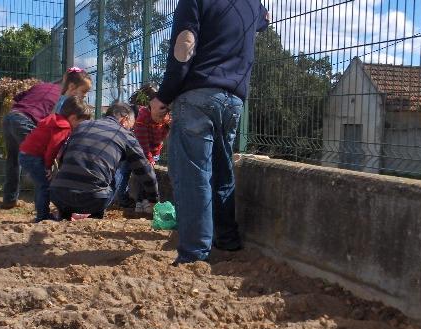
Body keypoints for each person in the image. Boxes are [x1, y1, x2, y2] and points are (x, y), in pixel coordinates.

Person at [150, 0, 269, 264]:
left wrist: (164, 95)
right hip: (234, 99)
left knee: (193, 175)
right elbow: (265, 19)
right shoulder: (252, 4)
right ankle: (226, 238)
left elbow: (184, 47)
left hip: (198, 93)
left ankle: (194, 253)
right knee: (222, 167)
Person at [50, 102, 159, 220]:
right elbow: (145, 170)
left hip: (58, 194)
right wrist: (154, 200)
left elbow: (63, 158)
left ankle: (65, 213)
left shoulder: (82, 125)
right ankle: (94, 214)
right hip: (94, 200)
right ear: (125, 119)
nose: (130, 130)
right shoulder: (125, 135)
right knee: (124, 163)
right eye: (130, 126)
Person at [18, 96, 92, 222]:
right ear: (73, 118)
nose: (81, 127)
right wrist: (48, 166)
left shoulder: (54, 119)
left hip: (26, 153)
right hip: (32, 156)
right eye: (81, 123)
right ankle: (42, 216)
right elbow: (53, 147)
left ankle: (41, 213)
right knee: (44, 185)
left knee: (41, 184)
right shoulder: (64, 126)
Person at [2, 81, 61, 209]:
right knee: (41, 163)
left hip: (10, 118)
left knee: (13, 160)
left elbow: (16, 99)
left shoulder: (40, 86)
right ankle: (44, 208)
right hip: (25, 121)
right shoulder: (61, 96)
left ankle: (9, 200)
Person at [116, 84, 171, 213]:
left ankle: (143, 201)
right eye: (158, 116)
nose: (160, 120)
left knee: (146, 175)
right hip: (136, 150)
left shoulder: (165, 118)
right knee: (130, 173)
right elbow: (142, 142)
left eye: (164, 116)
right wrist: (148, 158)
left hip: (153, 151)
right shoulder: (142, 118)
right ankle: (128, 199)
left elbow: (160, 140)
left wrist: (168, 125)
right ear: (151, 107)